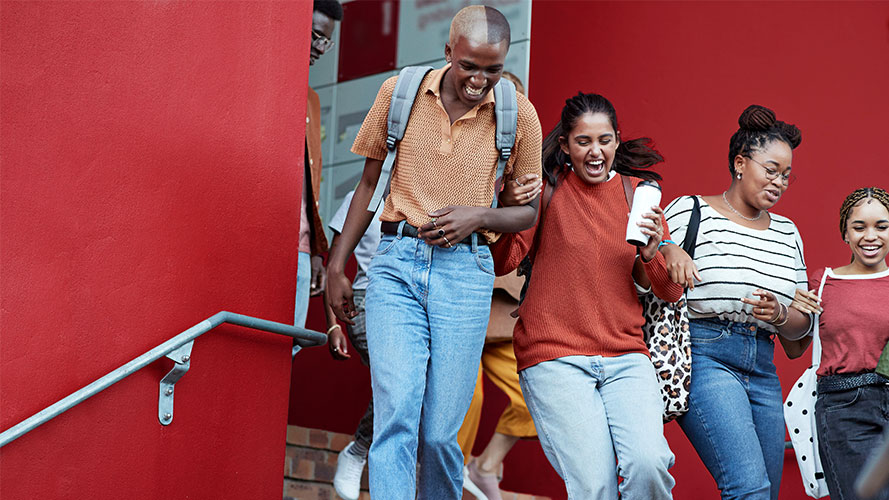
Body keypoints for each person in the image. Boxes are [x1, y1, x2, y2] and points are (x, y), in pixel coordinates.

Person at [325, 6, 543, 498]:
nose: (479, 80)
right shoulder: (399, 93)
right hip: (396, 267)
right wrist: (337, 265)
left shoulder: (518, 113)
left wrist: (480, 215)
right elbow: (366, 186)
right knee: (397, 414)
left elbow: (526, 213)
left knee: (442, 431)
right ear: (448, 53)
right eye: (469, 66)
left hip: (465, 274)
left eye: (492, 68)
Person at [496, 92, 682, 499]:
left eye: (605, 140)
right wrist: (505, 208)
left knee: (648, 464)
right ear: (565, 145)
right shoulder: (547, 190)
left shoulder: (637, 195)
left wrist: (652, 252)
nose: (595, 152)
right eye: (583, 142)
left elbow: (668, 291)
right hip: (554, 357)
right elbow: (503, 262)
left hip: (626, 356)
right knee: (594, 486)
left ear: (617, 140)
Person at [662, 105, 812, 500]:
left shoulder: (787, 232)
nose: (779, 181)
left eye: (786, 175)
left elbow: (800, 331)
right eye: (771, 169)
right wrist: (664, 250)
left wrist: (780, 314)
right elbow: (648, 278)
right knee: (749, 488)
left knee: (767, 492)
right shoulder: (690, 211)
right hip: (706, 354)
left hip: (763, 365)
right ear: (740, 163)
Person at [457, 69, 538, 500]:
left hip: (507, 311)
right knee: (464, 404)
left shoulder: (528, 167)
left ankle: (486, 465)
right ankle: (450, 479)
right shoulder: (463, 151)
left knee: (534, 398)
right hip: (466, 303)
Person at [791, 187, 889, 500]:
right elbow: (794, 347)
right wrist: (788, 310)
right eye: (859, 227)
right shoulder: (822, 282)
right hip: (845, 410)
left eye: (881, 226)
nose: (870, 236)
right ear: (845, 233)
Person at [322, 190, 383, 500]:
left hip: (413, 306)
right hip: (362, 302)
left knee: (416, 383)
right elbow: (333, 265)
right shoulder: (359, 197)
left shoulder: (425, 188)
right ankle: (359, 450)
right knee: (397, 377)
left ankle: (360, 448)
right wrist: (332, 323)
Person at [294, 0, 342, 343]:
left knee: (289, 344)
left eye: (325, 41)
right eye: (314, 36)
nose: (319, 48)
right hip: (260, 241)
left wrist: (314, 251)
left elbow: (309, 185)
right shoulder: (265, 87)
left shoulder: (311, 99)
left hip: (299, 247)